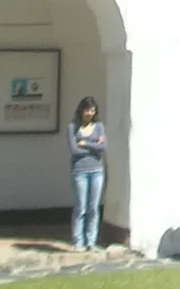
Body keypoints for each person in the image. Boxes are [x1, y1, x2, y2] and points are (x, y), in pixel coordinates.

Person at [67, 97, 108, 252]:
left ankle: (91, 241)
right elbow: (73, 150)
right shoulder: (72, 127)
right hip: (79, 171)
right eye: (86, 110)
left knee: (94, 207)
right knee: (81, 207)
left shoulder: (99, 127)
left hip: (97, 170)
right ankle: (78, 241)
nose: (89, 113)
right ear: (81, 110)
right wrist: (94, 147)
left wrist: (85, 143)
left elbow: (103, 147)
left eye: (92, 110)